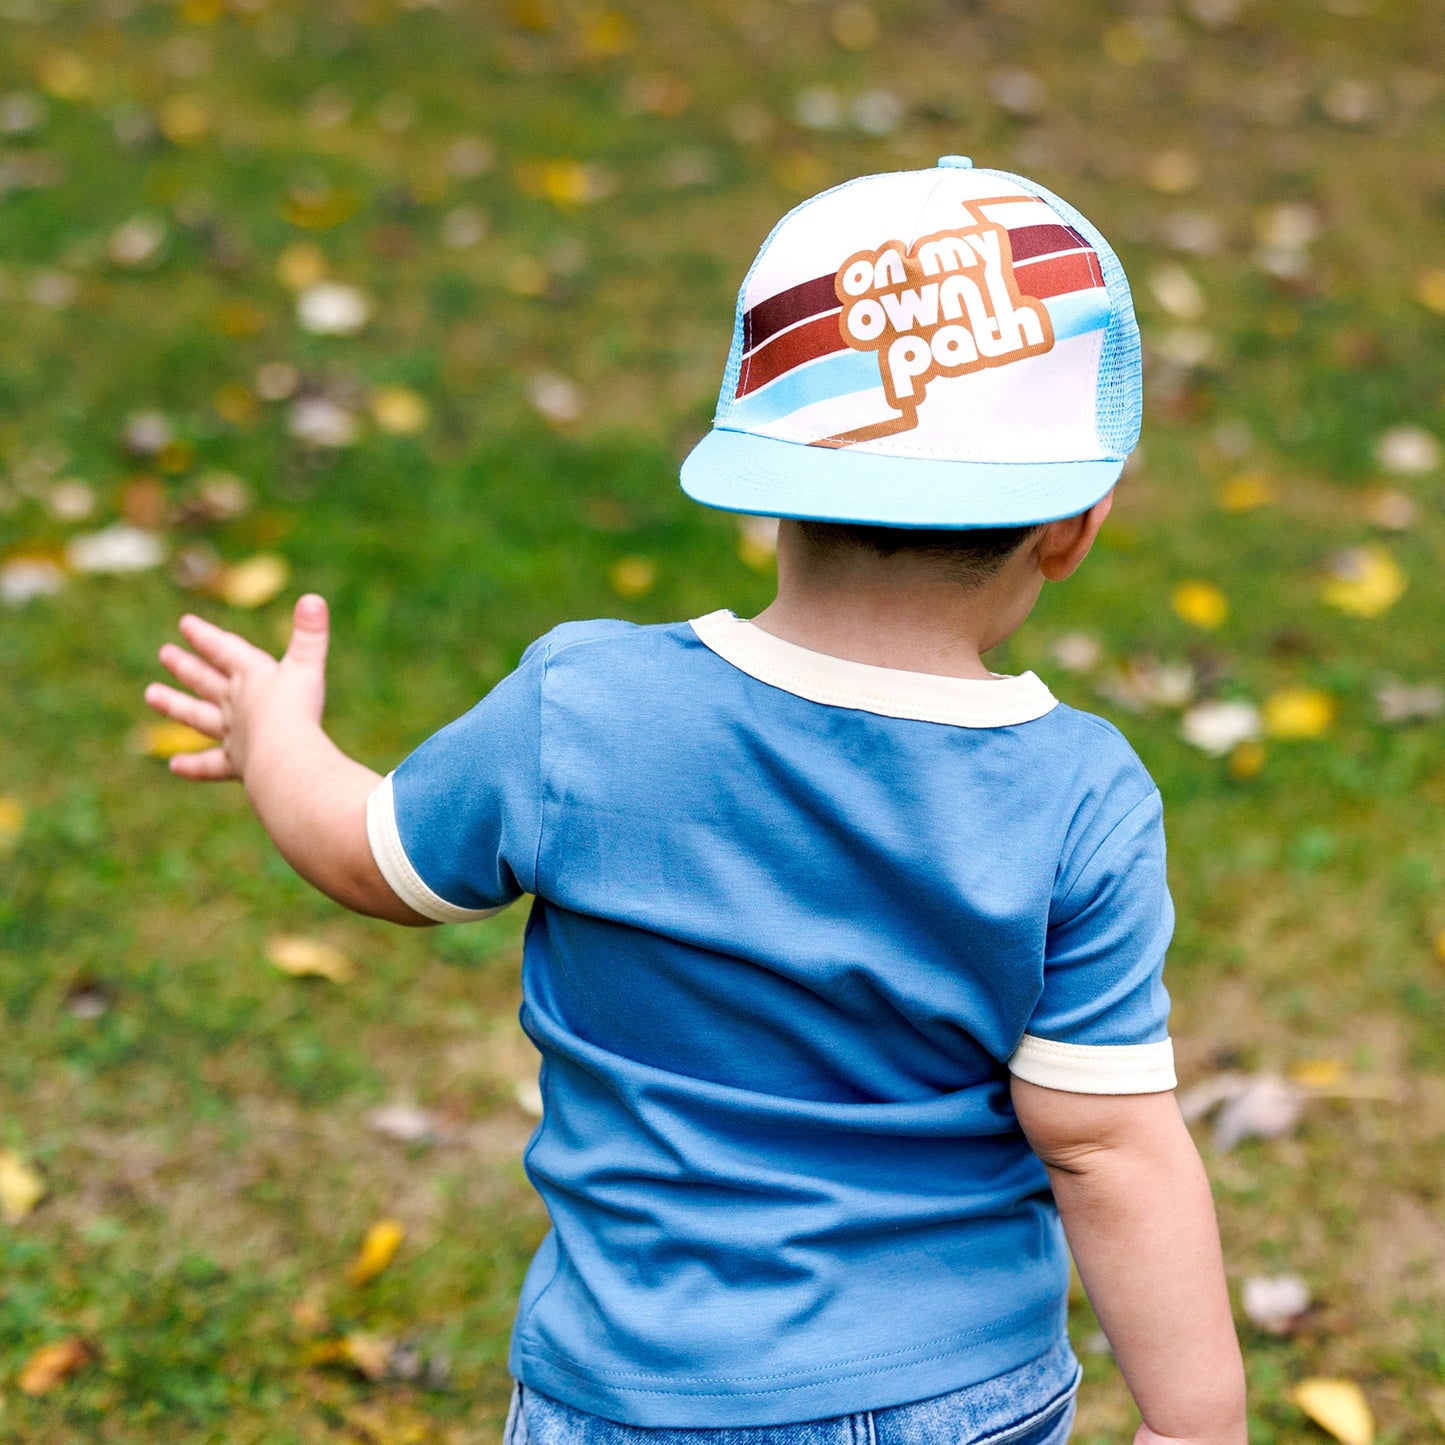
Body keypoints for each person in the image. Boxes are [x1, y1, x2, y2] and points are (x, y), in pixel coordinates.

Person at [145, 158, 1247, 1445]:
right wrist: (1193, 1421)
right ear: (1073, 524)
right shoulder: (1079, 797)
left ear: (763, 469)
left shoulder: (584, 704)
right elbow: (1107, 1148)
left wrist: (280, 734)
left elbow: (367, 854)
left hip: (621, 1386)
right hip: (952, 1396)